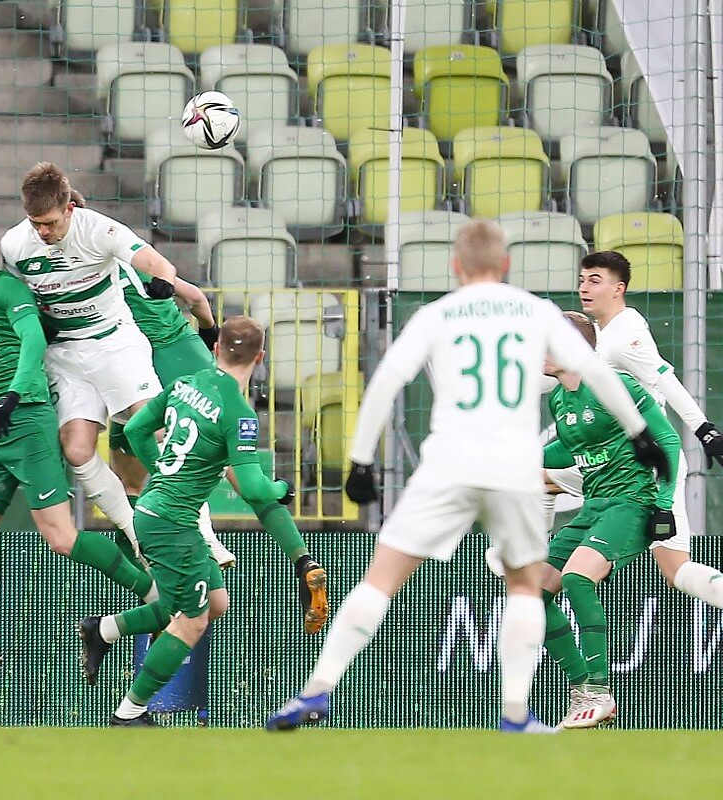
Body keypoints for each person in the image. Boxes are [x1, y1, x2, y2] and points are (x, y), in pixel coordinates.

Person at [265, 220, 670, 734]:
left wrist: (361, 461)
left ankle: (314, 692)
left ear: (456, 267)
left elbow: (387, 380)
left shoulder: (438, 314)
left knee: (381, 579)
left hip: (449, 462)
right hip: (513, 466)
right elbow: (597, 373)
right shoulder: (536, 311)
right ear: (505, 266)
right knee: (526, 586)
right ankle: (515, 715)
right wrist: (639, 433)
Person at [67, 189, 329, 634]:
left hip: (133, 363)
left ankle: (171, 564)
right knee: (237, 470)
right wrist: (208, 340)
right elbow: (198, 302)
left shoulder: (75, 276)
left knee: (133, 474)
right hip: (183, 348)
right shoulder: (129, 250)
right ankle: (302, 558)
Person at [0, 223, 161, 692]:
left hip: (29, 421)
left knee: (61, 538)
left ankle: (152, 591)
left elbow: (35, 343)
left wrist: (15, 396)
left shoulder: (6, 288)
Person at [88, 316, 296, 726]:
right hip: (173, 523)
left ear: (216, 349)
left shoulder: (187, 383)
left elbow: (136, 429)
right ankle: (129, 713)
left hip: (152, 511)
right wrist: (282, 489)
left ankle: (104, 630)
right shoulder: (239, 412)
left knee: (215, 603)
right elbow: (253, 488)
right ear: (261, 357)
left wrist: (160, 471)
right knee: (192, 619)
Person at [0, 163, 178, 560]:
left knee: (154, 425)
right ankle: (137, 535)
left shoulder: (100, 229)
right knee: (77, 449)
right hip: (65, 355)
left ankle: (193, 527)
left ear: (68, 208)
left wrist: (163, 278)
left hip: (115, 342)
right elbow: (14, 299)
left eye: (48, 222)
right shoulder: (14, 245)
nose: (42, 232)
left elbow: (153, 260)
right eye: (34, 223)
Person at [546, 252, 723, 608]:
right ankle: (538, 554)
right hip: (612, 463)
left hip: (647, 467)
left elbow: (665, 380)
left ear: (619, 288)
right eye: (582, 280)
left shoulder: (624, 337)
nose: (584, 288)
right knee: (543, 474)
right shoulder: (601, 332)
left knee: (675, 571)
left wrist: (704, 430)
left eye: (595, 281)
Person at [538, 311, 681, 728]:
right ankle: (583, 686)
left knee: (578, 578)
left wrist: (665, 503)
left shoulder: (615, 385)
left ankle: (600, 692)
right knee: (532, 593)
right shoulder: (559, 398)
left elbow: (667, 439)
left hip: (632, 502)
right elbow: (569, 452)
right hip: (595, 505)